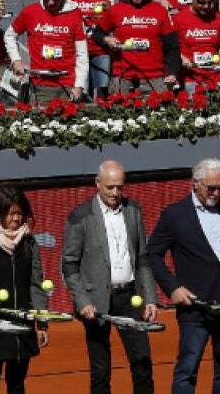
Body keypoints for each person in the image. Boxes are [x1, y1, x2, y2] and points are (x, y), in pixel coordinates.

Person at [146, 158, 220, 394]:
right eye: (211, 188)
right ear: (195, 184)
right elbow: (152, 254)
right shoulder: (174, 214)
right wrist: (173, 288)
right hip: (194, 307)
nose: (216, 193)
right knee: (187, 370)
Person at [63, 160, 157, 394]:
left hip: (130, 298)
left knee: (142, 364)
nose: (116, 193)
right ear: (97, 183)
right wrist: (82, 301)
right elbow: (70, 265)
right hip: (96, 302)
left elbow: (142, 257)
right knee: (101, 370)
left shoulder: (133, 210)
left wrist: (151, 297)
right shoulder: (80, 216)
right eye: (110, 187)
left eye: (120, 187)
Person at [0, 185, 49, 394]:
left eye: (20, 213)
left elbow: (36, 284)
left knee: (17, 386)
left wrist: (41, 323)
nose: (16, 219)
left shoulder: (29, 243)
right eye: (11, 213)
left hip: (22, 327)